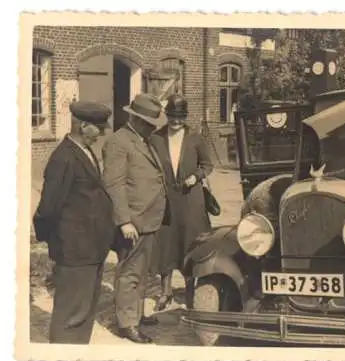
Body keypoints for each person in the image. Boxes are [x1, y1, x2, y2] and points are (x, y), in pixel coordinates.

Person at [32, 101, 114, 344]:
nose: (102, 133)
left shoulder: (84, 151)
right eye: (98, 128)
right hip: (75, 250)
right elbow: (47, 209)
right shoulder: (64, 158)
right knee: (70, 316)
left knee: (84, 312)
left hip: (90, 249)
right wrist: (59, 242)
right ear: (84, 125)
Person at [102, 93, 169, 344]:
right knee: (129, 273)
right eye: (149, 123)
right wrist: (124, 221)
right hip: (134, 221)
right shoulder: (119, 142)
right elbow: (114, 184)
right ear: (136, 119)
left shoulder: (141, 139)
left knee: (141, 272)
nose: (152, 128)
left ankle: (136, 314)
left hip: (148, 218)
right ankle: (127, 323)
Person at [149, 93, 214, 311]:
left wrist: (196, 176)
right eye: (172, 116)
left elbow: (207, 164)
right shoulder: (156, 138)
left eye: (180, 117)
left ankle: (189, 290)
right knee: (166, 243)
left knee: (190, 243)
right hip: (166, 199)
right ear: (166, 115)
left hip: (191, 200)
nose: (176, 121)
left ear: (185, 117)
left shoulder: (195, 138)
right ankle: (165, 290)